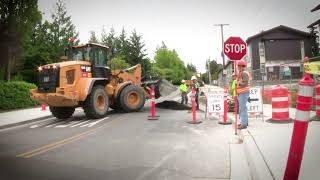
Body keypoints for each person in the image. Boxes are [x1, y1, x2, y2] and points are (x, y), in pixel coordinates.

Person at [236, 60, 250, 129]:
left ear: (241, 66)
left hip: (243, 93)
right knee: (243, 108)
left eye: (238, 66)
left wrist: (238, 83)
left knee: (243, 108)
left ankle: (244, 124)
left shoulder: (244, 73)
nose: (237, 67)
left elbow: (245, 83)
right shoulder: (241, 73)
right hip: (241, 92)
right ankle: (244, 122)